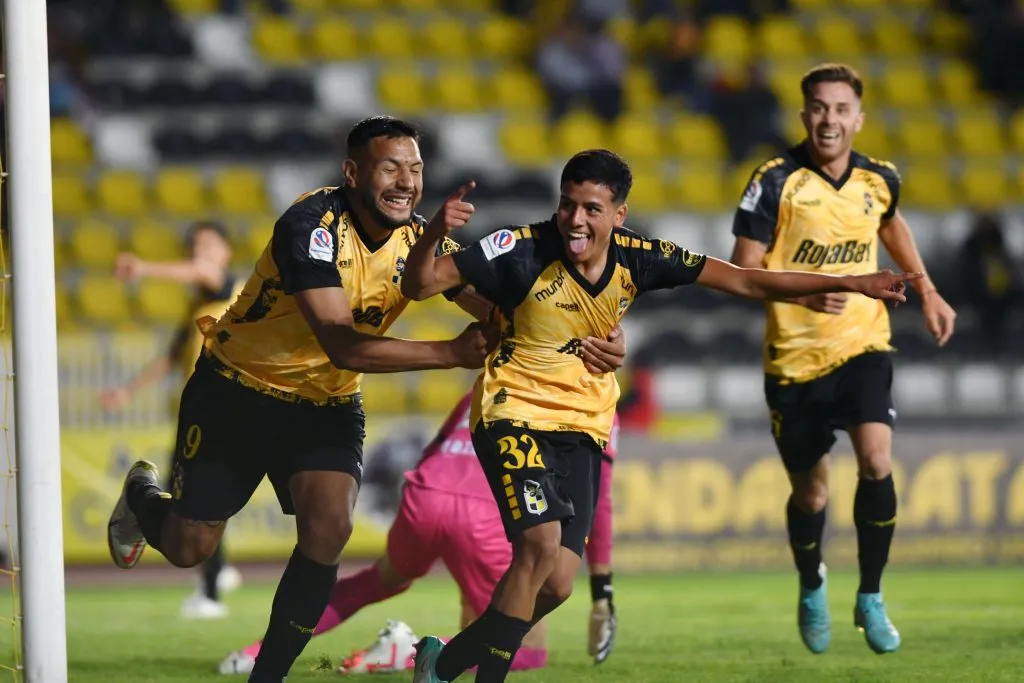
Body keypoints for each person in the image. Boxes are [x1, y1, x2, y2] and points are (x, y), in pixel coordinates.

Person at [104, 115, 626, 683]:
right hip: (237, 389)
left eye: (416, 169)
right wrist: (449, 353)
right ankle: (141, 499)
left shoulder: (418, 241)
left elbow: (512, 306)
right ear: (352, 172)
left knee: (329, 529)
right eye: (390, 168)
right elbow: (342, 344)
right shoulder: (310, 225)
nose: (406, 182)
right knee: (189, 546)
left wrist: (595, 331)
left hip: (325, 406)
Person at [400, 148, 921, 683]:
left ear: (618, 215)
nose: (576, 221)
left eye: (592, 209)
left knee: (555, 583)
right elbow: (418, 286)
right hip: (514, 412)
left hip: (582, 424)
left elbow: (743, 279)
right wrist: (432, 231)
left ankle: (444, 662)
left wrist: (850, 282)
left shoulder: (640, 257)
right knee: (537, 547)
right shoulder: (519, 247)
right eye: (567, 205)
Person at [727, 63, 958, 656]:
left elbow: (891, 224)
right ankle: (811, 583)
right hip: (795, 359)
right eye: (819, 108)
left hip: (863, 344)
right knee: (812, 496)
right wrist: (803, 290)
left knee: (877, 458)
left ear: (858, 117)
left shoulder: (880, 179)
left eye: (840, 109)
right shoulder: (775, 179)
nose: (829, 119)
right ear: (805, 115)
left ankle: (872, 595)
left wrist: (927, 290)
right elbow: (742, 266)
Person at [217, 389, 622, 676]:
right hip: (485, 515)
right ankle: (404, 653)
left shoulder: (504, 372)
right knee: (524, 649)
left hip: (426, 492)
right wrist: (601, 589)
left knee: (379, 580)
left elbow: (438, 443)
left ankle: (258, 654)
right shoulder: (596, 399)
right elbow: (596, 500)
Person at [100, 219, 244, 620]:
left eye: (209, 245)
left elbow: (204, 272)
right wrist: (127, 390)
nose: (202, 253)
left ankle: (212, 582)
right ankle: (214, 582)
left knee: (199, 502)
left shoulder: (228, 287)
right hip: (201, 416)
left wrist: (144, 269)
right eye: (195, 246)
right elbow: (169, 357)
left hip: (228, 411)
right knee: (197, 502)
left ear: (226, 253)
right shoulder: (197, 307)